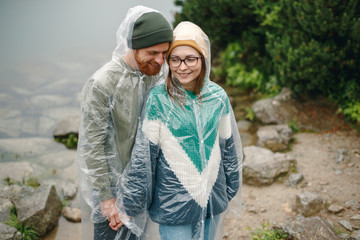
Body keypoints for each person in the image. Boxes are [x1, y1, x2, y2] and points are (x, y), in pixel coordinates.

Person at [116, 21, 243, 240]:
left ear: (203, 59)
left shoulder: (218, 97)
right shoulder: (158, 99)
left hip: (211, 199)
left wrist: (229, 189)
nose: (182, 67)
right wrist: (130, 204)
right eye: (175, 59)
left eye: (190, 59)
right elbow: (143, 157)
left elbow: (228, 147)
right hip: (172, 207)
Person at [76, 5, 173, 240]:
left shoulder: (156, 75)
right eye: (153, 53)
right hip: (113, 192)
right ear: (134, 46)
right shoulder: (102, 83)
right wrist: (106, 198)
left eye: (165, 53)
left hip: (146, 185)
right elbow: (93, 145)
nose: (160, 61)